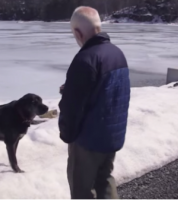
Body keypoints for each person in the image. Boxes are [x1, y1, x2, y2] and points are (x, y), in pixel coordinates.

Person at [58, 6, 131, 199]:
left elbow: (71, 108)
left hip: (88, 140)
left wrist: (66, 133)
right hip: (112, 135)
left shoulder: (85, 59)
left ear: (78, 32)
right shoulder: (117, 53)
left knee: (81, 189)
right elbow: (109, 91)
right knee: (104, 179)